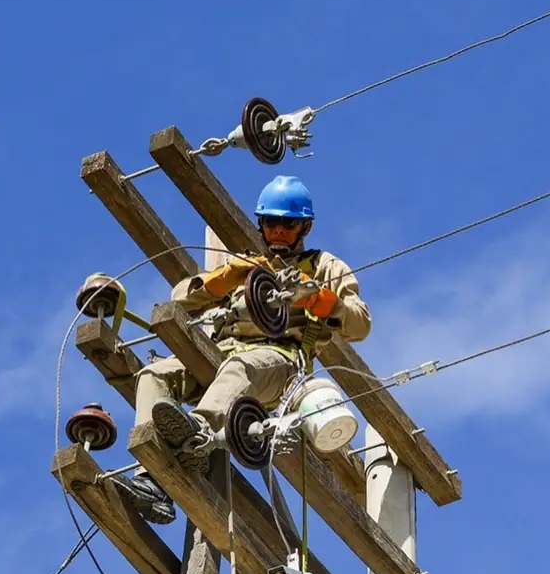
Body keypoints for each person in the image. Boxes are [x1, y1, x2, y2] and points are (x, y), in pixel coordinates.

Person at [115, 175, 371, 524]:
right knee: (153, 375)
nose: (278, 230)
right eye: (271, 222)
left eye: (288, 224)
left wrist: (318, 299)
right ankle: (150, 479)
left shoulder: (323, 266)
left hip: (278, 361)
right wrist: (225, 278)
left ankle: (197, 434)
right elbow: (179, 299)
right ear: (261, 224)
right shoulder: (248, 266)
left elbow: (360, 323)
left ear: (305, 227)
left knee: (240, 370)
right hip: (220, 354)